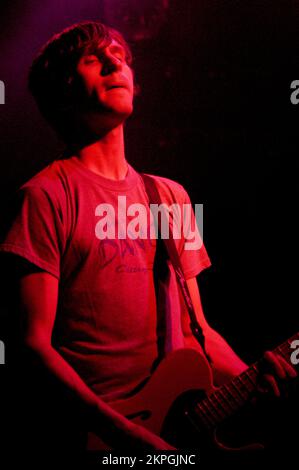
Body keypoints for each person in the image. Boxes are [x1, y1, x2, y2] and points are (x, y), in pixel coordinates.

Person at [0, 21, 296, 458]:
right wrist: (126, 436)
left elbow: (198, 334)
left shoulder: (169, 197)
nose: (113, 61)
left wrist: (254, 378)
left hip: (176, 432)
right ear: (63, 89)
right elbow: (32, 346)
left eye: (119, 55)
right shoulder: (45, 196)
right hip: (94, 440)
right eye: (92, 57)